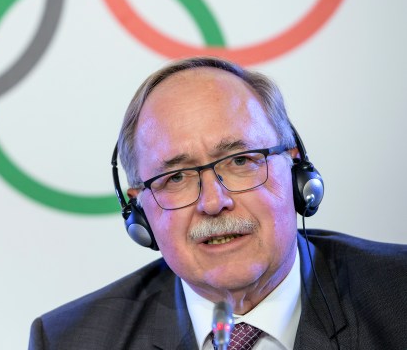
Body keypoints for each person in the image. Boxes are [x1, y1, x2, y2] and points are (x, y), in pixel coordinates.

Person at [28, 56, 407, 349]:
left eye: (240, 161)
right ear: (140, 212)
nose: (214, 201)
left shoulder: (397, 296)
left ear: (296, 171)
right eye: (175, 177)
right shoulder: (72, 340)